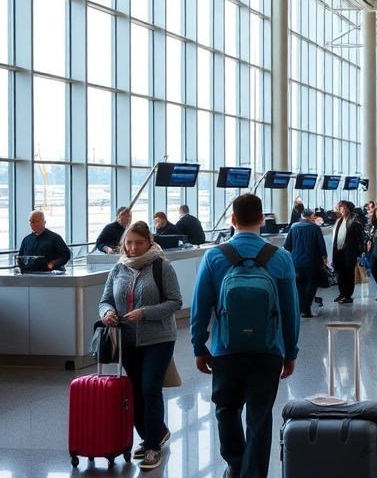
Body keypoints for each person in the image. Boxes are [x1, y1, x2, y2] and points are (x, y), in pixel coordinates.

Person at [190, 193, 299, 478]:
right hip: (269, 350)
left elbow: (200, 307)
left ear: (233, 219)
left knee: (226, 409)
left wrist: (199, 346)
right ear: (263, 219)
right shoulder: (281, 258)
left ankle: (235, 462)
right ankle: (253, 473)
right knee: (260, 418)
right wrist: (290, 353)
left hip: (226, 350)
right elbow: (291, 312)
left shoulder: (214, 256)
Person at [98, 221, 182, 471]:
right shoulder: (118, 268)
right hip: (128, 340)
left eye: (139, 242)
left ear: (149, 242)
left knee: (149, 389)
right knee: (134, 391)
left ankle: (153, 446)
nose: (133, 248)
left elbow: (175, 302)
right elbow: (105, 300)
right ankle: (152, 435)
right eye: (129, 242)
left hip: (159, 338)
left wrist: (146, 312)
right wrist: (108, 312)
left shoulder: (162, 266)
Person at [283, 209, 328, 318]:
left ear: (302, 216)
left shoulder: (294, 227)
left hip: (296, 261)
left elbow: (286, 245)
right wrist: (324, 257)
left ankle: (300, 308)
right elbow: (321, 244)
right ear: (312, 216)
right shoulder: (315, 228)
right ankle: (306, 308)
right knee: (312, 283)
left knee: (299, 284)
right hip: (312, 261)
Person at [330, 200, 363, 304]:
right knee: (339, 272)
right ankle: (342, 293)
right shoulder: (338, 220)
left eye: (344, 208)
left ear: (349, 209)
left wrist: (359, 253)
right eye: (340, 208)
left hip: (349, 251)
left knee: (348, 273)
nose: (342, 210)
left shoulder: (354, 221)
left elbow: (360, 238)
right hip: (338, 251)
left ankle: (348, 295)